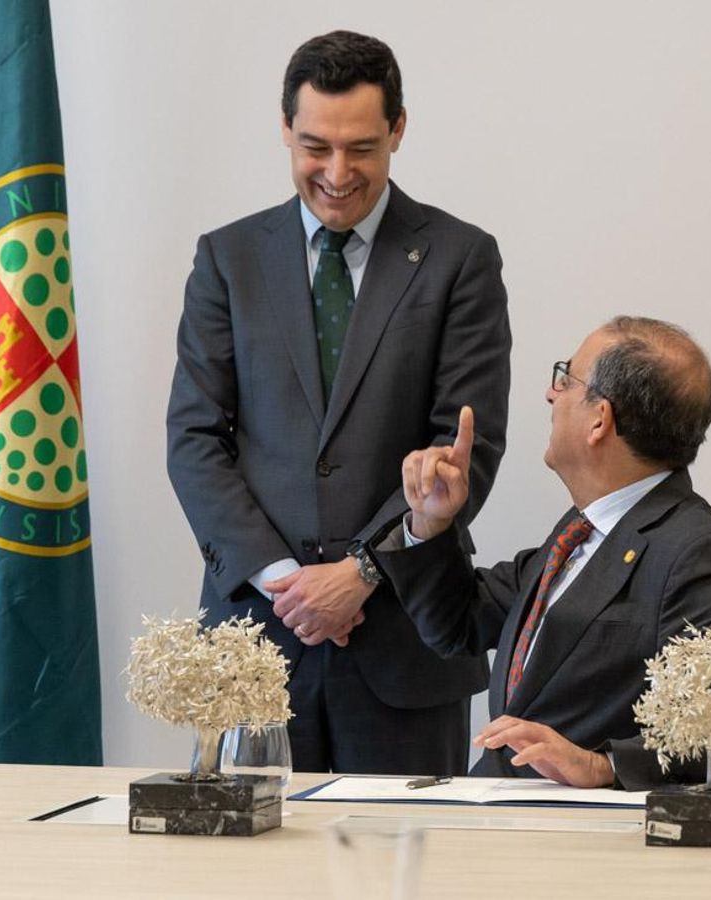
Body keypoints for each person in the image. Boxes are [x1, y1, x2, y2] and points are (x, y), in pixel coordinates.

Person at [166, 30, 511, 776]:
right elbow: (195, 439)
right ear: (285, 129)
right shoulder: (227, 259)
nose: (336, 173)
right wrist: (285, 583)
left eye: (361, 149)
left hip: (403, 647)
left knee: (403, 853)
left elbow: (463, 451)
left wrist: (361, 572)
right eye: (315, 147)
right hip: (254, 643)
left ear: (398, 129)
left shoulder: (460, 259)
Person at [373, 317, 711, 790]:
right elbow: (459, 623)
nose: (550, 394)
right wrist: (431, 523)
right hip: (499, 807)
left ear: (600, 419)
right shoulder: (579, 532)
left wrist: (604, 766)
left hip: (576, 826)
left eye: (565, 378)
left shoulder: (696, 554)